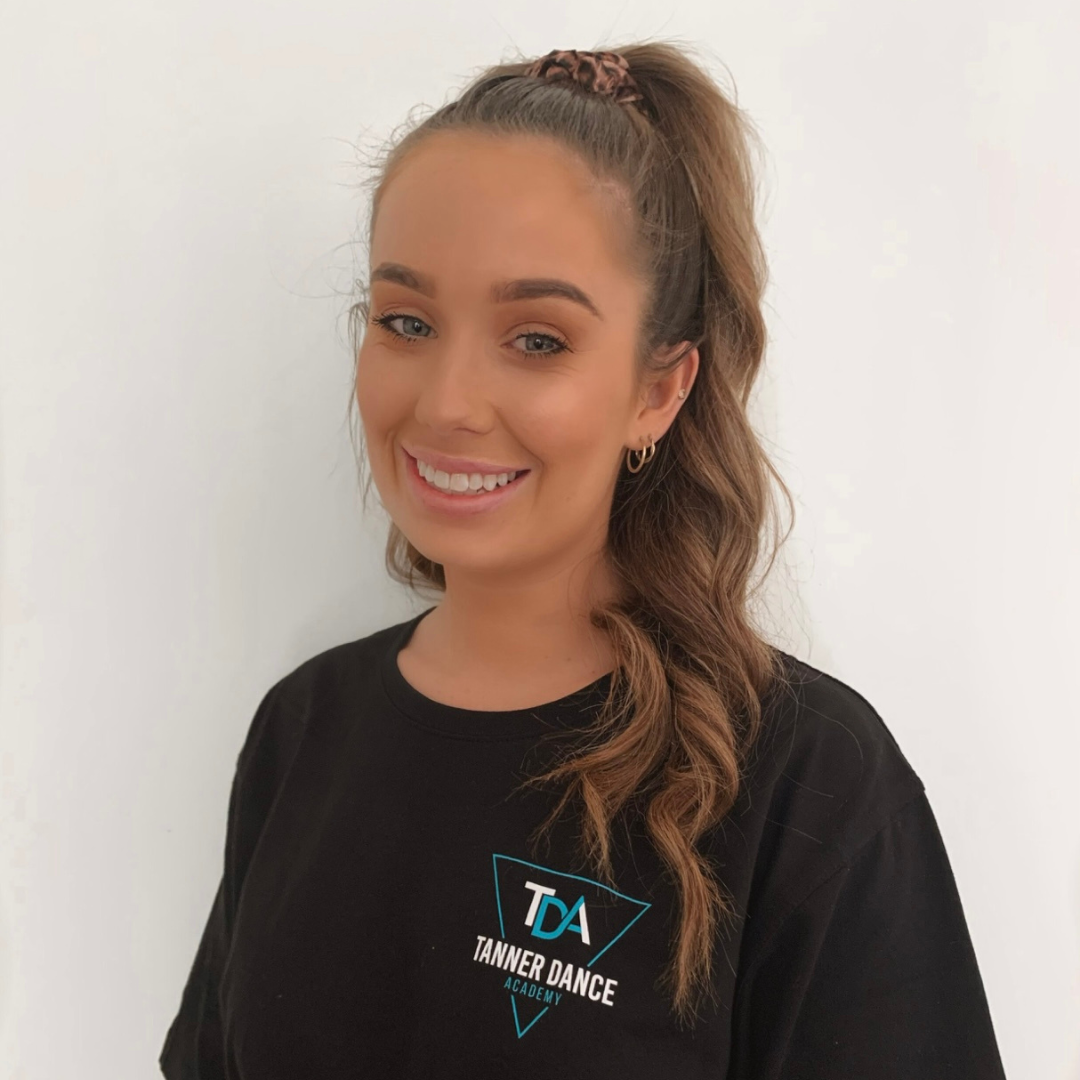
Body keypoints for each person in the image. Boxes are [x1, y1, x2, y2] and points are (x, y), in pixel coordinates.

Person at [159, 42, 1007, 1079]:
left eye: (538, 340)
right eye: (407, 322)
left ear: (660, 389)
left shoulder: (806, 782)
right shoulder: (303, 731)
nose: (447, 403)